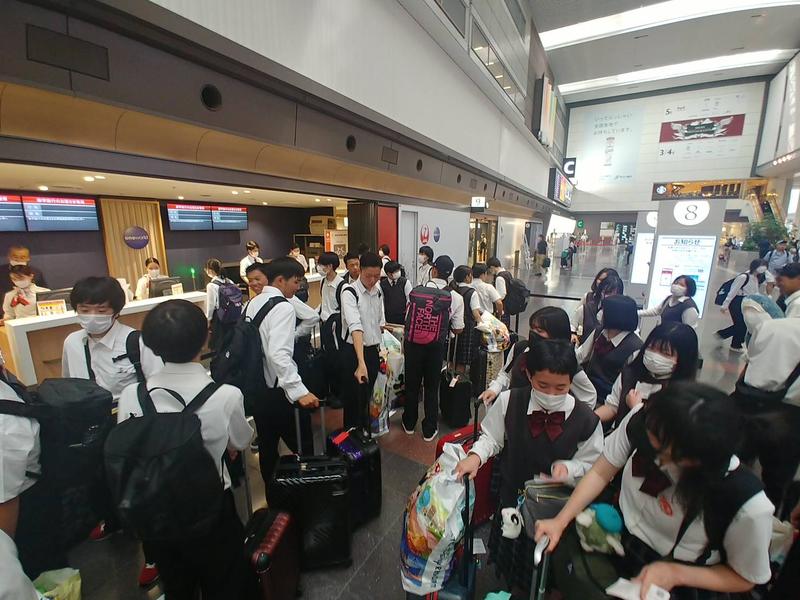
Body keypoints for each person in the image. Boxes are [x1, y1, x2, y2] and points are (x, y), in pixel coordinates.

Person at [536, 382, 774, 600]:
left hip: (683, 574)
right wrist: (560, 520)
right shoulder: (642, 422)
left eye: (667, 452)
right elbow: (601, 472)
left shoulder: (745, 502)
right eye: (652, 437)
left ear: (697, 458)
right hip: (617, 536)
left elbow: (745, 577)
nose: (652, 451)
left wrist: (675, 573)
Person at [117, 299, 254, 600]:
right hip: (212, 506)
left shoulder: (131, 395)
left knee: (176, 582)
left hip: (157, 509)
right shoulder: (226, 395)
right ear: (206, 337)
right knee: (225, 581)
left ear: (150, 345)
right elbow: (241, 441)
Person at [455, 340, 603, 595]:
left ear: (571, 382)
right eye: (543, 385)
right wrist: (475, 457)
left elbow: (593, 464)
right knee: (514, 558)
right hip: (512, 496)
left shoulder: (586, 420)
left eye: (561, 387)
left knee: (550, 569)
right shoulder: (509, 401)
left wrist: (571, 469)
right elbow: (492, 437)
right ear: (529, 375)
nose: (551, 394)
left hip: (555, 509)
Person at [61, 276, 162, 586]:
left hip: (130, 422)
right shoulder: (72, 342)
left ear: (116, 311)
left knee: (140, 489)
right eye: (84, 309)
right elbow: (70, 384)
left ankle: (154, 554)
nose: (92, 316)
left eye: (100, 310)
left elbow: (157, 385)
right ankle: (111, 519)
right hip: (93, 423)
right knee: (100, 478)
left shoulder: (135, 342)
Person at [245, 258, 319, 484]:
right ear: (280, 280)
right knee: (303, 445)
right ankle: (306, 489)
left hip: (259, 388)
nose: (298, 287)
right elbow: (278, 354)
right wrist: (299, 391)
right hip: (280, 393)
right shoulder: (283, 307)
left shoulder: (253, 303)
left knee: (268, 447)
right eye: (295, 282)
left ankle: (273, 492)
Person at [736, 262, 800, 506]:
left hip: (758, 403)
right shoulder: (782, 321)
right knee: (777, 476)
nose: (779, 282)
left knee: (742, 458)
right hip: (788, 412)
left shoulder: (774, 327)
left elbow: (752, 362)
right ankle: (772, 512)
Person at [479, 307, 597, 409]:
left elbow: (589, 396)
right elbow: (506, 374)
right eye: (532, 328)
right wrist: (494, 389)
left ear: (556, 334)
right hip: (515, 412)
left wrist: (571, 418)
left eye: (539, 330)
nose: (533, 333)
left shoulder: (565, 363)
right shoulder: (520, 348)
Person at [402, 256, 465, 440]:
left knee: (412, 385)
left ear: (434, 270)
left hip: (413, 345)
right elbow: (458, 329)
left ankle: (409, 423)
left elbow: (407, 319)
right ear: (449, 274)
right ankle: (429, 429)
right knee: (431, 387)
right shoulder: (456, 297)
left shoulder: (417, 291)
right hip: (435, 347)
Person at [596, 322, 698, 427]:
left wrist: (636, 408)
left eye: (665, 353)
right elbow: (612, 406)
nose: (654, 356)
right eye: (651, 347)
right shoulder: (630, 374)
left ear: (684, 359)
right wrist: (590, 419)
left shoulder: (684, 396)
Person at [339, 252, 385, 429]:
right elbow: (355, 327)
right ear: (360, 270)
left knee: (368, 395)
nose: (372, 280)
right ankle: (351, 433)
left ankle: (364, 431)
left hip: (372, 350)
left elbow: (378, 322)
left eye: (376, 276)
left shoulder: (378, 290)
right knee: (353, 398)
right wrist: (361, 362)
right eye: (368, 276)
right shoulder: (349, 292)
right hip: (353, 352)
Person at [577, 294, 642, 401]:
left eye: (604, 310)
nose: (600, 313)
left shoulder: (635, 346)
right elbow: (581, 355)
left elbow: (629, 383)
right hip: (586, 390)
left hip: (609, 399)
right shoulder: (600, 332)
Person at [716, 259, 764, 353]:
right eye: (762, 266)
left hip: (746, 302)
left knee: (743, 324)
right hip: (737, 302)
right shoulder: (743, 277)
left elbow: (755, 292)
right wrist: (725, 305)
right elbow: (733, 291)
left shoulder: (755, 278)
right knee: (741, 324)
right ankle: (734, 344)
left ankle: (723, 336)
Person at [570, 267, 620, 339]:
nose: (600, 282)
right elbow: (574, 323)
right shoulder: (587, 304)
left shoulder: (622, 311)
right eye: (600, 279)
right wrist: (573, 334)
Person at [0, 246, 48, 319]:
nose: (18, 260)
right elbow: (8, 313)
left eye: (22, 257)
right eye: (15, 257)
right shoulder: (9, 294)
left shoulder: (36, 272)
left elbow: (45, 294)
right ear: (9, 257)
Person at [452, 265, 482, 373]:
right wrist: (483, 324)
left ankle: (448, 379)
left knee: (452, 357)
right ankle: (459, 380)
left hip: (453, 326)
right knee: (462, 361)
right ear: (467, 277)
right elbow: (476, 314)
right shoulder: (472, 292)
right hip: (467, 328)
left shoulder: (453, 290)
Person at [204, 258, 238, 353]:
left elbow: (211, 304)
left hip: (219, 317)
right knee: (230, 341)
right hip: (232, 314)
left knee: (220, 343)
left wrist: (208, 320)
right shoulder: (229, 281)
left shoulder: (211, 285)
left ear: (210, 270)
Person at [379, 260, 411, 325]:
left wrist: (407, 318)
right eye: (395, 271)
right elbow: (381, 302)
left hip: (402, 317)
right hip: (388, 318)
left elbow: (409, 300)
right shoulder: (382, 284)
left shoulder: (405, 282)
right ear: (388, 274)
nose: (398, 273)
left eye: (398, 270)